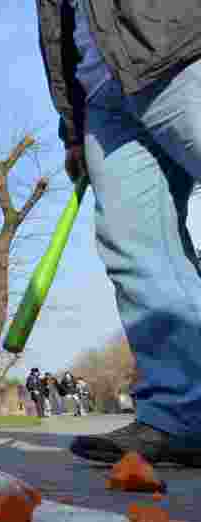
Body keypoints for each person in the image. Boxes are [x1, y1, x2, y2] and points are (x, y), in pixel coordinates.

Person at [36, 0, 201, 465]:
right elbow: (58, 32)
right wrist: (72, 129)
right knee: (136, 248)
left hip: (181, 51)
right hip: (102, 98)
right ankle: (183, 414)